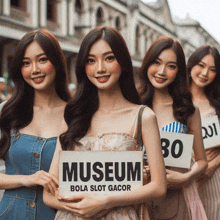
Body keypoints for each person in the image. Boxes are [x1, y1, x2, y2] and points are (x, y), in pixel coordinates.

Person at [43, 26, 166, 220]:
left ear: (123, 62)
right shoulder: (75, 115)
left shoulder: (143, 117)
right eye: (91, 61)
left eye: (109, 58)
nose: (100, 68)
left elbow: (159, 187)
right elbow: (48, 195)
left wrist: (105, 202)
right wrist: (79, 208)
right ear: (84, 66)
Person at [0, 28, 71, 219]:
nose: (34, 70)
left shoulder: (76, 114)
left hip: (58, 214)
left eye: (42, 59)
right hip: (11, 214)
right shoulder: (6, 111)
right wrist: (28, 179)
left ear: (56, 62)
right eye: (26, 63)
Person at [138, 36, 208, 219]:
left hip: (173, 201)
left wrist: (186, 178)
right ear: (147, 64)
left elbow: (202, 161)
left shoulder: (188, 110)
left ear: (178, 71)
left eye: (171, 66)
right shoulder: (132, 104)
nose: (161, 71)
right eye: (156, 62)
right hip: (134, 199)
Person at [187, 45, 220, 220]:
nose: (205, 73)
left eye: (212, 69)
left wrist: (213, 165)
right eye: (201, 65)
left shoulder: (217, 103)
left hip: (212, 180)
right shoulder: (177, 99)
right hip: (183, 180)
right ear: (191, 64)